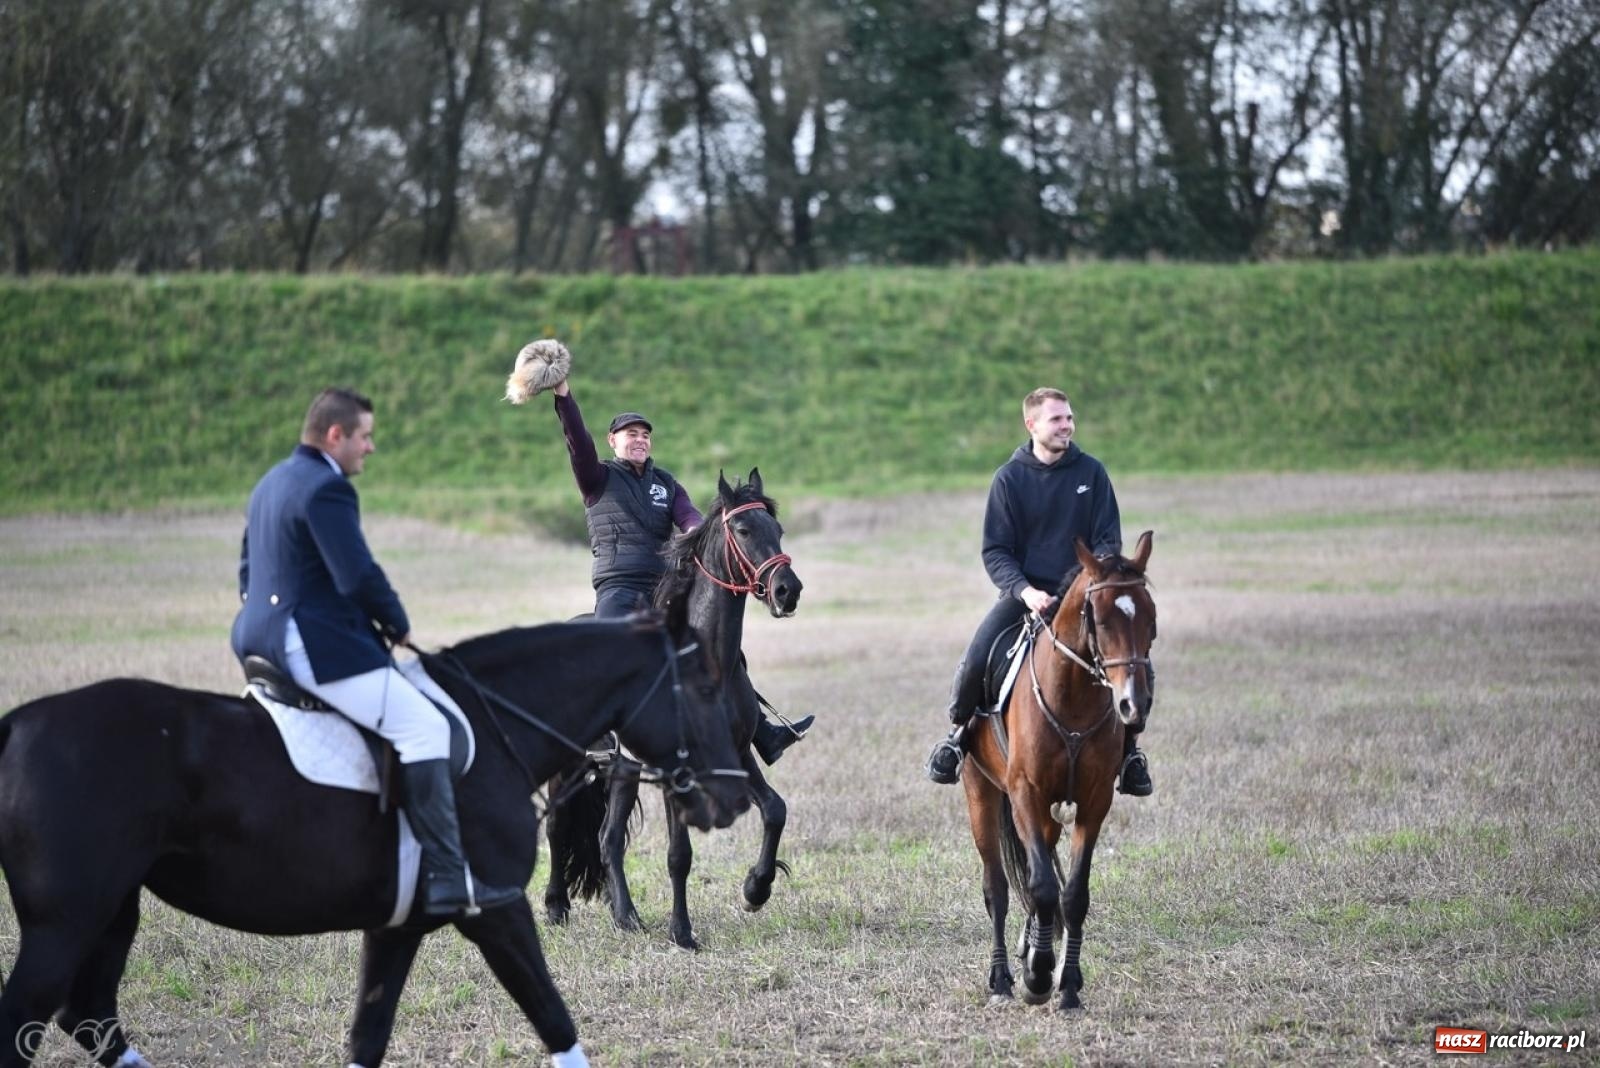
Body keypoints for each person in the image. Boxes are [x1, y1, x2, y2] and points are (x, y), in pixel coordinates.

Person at [231, 387, 521, 917]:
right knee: (426, 729)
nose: (371, 448)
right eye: (365, 436)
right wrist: (396, 620)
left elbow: (248, 569)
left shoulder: (272, 480)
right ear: (335, 435)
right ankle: (447, 880)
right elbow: (356, 574)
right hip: (309, 643)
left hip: (256, 636)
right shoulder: (326, 488)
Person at [548, 375, 811, 763]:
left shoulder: (666, 484)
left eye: (645, 435)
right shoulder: (596, 478)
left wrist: (704, 533)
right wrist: (563, 396)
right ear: (613, 441)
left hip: (664, 585)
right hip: (618, 587)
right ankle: (599, 733)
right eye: (630, 433)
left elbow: (690, 519)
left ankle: (763, 732)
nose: (639, 439)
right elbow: (577, 441)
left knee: (719, 642)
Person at [924, 387, 1154, 795]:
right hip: (1027, 597)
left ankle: (1131, 752)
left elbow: (1106, 539)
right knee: (976, 657)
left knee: (1136, 660)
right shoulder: (1009, 480)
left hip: (1084, 596)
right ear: (1032, 425)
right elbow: (996, 551)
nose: (1067, 425)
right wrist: (1025, 591)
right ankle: (958, 737)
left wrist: (1090, 581)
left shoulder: (1092, 473)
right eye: (1057, 419)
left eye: (1069, 418)